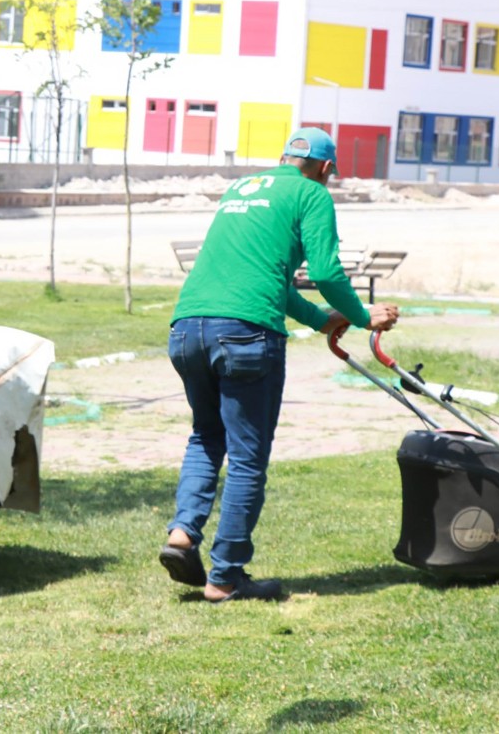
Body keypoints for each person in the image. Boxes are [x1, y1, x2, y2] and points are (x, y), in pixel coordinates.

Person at [159, 127, 399, 602]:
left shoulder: (241, 188)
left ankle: (182, 535)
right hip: (246, 334)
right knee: (248, 459)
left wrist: (319, 320)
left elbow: (270, 276)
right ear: (326, 169)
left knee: (207, 435)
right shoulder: (312, 194)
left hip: (187, 328)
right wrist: (361, 314)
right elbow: (328, 272)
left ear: (283, 156)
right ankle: (224, 578)